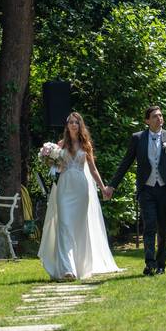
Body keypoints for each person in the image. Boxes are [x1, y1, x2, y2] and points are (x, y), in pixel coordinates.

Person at [38, 112, 120, 280]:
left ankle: (80, 267)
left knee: (79, 228)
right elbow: (58, 168)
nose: (73, 125)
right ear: (67, 126)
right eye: (71, 122)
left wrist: (103, 188)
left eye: (76, 122)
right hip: (65, 187)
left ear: (80, 125)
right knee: (64, 226)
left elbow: (93, 169)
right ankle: (67, 269)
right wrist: (50, 159)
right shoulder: (60, 145)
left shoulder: (85, 144)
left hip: (81, 189)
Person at [104, 105, 166, 275]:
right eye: (155, 116)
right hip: (146, 189)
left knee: (163, 228)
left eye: (161, 116)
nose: (159, 118)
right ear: (147, 121)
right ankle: (150, 263)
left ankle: (161, 264)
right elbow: (125, 163)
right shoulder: (138, 138)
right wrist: (112, 185)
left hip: (165, 189)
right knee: (149, 226)